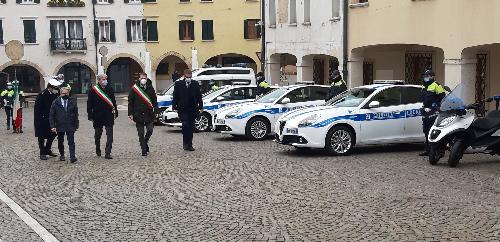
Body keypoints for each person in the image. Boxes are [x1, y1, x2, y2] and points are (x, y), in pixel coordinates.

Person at [87, 74, 118, 159]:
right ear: (99, 80)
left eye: (106, 79)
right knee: (98, 134)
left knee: (110, 135)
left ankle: (108, 152)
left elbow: (113, 101)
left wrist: (116, 111)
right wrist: (90, 115)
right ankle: (98, 148)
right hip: (97, 115)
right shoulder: (93, 90)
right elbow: (89, 104)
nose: (105, 81)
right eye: (103, 79)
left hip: (108, 115)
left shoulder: (110, 89)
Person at [172, 69, 203, 151]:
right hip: (182, 109)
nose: (188, 78)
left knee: (191, 127)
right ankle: (185, 143)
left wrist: (201, 107)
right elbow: (175, 95)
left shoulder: (195, 84)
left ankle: (189, 144)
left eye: (190, 76)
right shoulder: (178, 84)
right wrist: (174, 106)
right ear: (184, 76)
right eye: (187, 76)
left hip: (193, 109)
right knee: (185, 125)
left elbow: (199, 96)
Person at [128, 73, 158, 156]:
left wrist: (156, 111)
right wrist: (130, 113)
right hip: (138, 114)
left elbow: (155, 102)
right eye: (142, 78)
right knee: (140, 134)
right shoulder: (134, 89)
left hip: (149, 114)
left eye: (144, 78)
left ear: (147, 78)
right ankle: (143, 150)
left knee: (150, 130)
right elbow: (130, 102)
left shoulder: (150, 88)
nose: (143, 79)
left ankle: (145, 143)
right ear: (139, 79)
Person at [419, 70, 446, 156]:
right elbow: (422, 98)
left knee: (434, 130)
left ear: (432, 77)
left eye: (428, 76)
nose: (426, 77)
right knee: (426, 130)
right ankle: (428, 150)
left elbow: (443, 98)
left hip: (434, 111)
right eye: (425, 75)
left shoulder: (437, 86)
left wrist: (435, 106)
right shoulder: (424, 86)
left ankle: (438, 150)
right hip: (426, 111)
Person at [34, 79, 62, 160]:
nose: (57, 90)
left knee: (53, 134)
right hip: (42, 119)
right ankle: (42, 153)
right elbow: (37, 109)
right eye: (55, 88)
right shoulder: (42, 95)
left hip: (51, 119)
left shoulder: (54, 95)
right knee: (41, 136)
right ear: (50, 87)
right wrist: (39, 119)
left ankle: (47, 149)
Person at [49, 87, 79, 163]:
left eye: (67, 93)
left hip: (70, 124)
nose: (65, 95)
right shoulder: (55, 102)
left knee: (71, 141)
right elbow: (51, 115)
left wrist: (76, 125)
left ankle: (72, 157)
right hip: (60, 124)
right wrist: (52, 126)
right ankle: (62, 154)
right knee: (60, 141)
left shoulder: (72, 101)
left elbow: (76, 114)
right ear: (60, 94)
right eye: (63, 93)